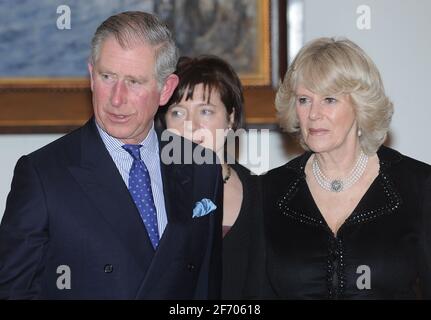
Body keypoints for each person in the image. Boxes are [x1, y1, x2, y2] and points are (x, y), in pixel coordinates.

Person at [0, 11, 223, 299]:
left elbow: (206, 288)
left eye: (134, 82)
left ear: (165, 89)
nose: (116, 98)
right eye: (108, 77)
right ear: (92, 76)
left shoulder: (200, 167)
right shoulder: (43, 174)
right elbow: (11, 291)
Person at [260, 37, 431, 299]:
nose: (314, 114)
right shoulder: (269, 191)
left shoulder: (418, 186)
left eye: (329, 99)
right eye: (304, 99)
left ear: (360, 105)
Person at [157, 55, 263, 299]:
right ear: (163, 121)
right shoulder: (149, 190)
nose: (191, 125)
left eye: (205, 111)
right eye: (178, 113)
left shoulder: (261, 192)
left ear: (231, 118)